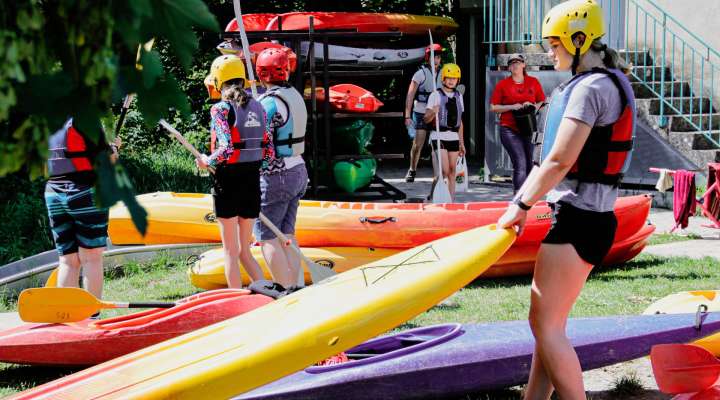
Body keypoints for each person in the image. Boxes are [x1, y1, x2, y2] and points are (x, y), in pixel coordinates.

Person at [497, 1, 635, 399]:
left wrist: (520, 205)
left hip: (579, 219)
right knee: (548, 324)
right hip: (590, 216)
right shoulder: (605, 82)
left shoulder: (591, 89)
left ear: (580, 40)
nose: (549, 52)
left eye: (555, 44)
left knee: (545, 325)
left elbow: (558, 161)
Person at [197, 54, 265, 288]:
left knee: (230, 251)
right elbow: (268, 147)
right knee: (245, 251)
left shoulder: (220, 109)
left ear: (218, 81)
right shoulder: (259, 104)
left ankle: (235, 301)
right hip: (252, 179)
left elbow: (225, 149)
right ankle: (268, 290)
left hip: (228, 181)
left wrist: (207, 159)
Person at [45, 118, 120, 305]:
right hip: (84, 191)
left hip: (52, 192)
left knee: (67, 260)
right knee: (91, 258)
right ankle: (90, 317)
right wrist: (116, 148)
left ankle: (66, 315)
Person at [254, 48, 309, 289]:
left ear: (260, 73)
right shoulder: (294, 94)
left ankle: (285, 292)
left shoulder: (268, 103)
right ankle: (295, 287)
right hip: (298, 169)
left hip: (277, 177)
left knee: (266, 237)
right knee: (287, 234)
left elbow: (262, 143)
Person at [490, 54, 546, 194]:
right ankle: (518, 198)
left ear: (523, 65)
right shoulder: (503, 84)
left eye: (518, 62)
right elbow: (494, 107)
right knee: (520, 163)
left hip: (528, 128)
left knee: (531, 164)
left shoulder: (533, 82)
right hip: (509, 129)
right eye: (512, 63)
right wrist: (512, 106)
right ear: (509, 67)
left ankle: (529, 197)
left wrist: (532, 106)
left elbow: (542, 101)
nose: (515, 65)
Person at [424, 63, 465, 202]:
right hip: (438, 136)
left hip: (453, 137)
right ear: (443, 79)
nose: (451, 81)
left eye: (454, 78)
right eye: (448, 78)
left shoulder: (459, 96)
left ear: (457, 80)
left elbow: (460, 122)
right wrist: (432, 111)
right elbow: (425, 119)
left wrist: (462, 143)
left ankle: (451, 201)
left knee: (453, 171)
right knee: (444, 171)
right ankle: (436, 197)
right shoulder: (435, 95)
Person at [404, 44, 444, 182]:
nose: (436, 60)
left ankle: (439, 174)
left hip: (436, 112)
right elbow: (410, 95)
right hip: (421, 112)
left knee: (438, 144)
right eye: (433, 57)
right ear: (428, 58)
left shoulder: (445, 73)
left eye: (438, 57)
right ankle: (412, 169)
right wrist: (407, 115)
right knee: (418, 144)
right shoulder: (420, 73)